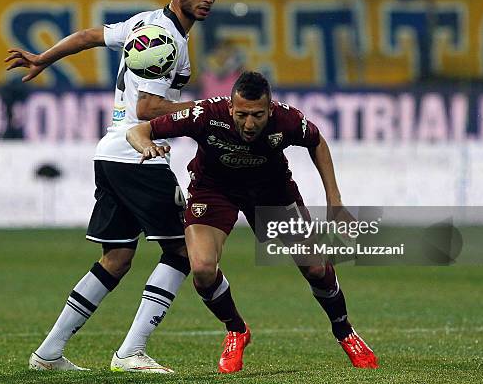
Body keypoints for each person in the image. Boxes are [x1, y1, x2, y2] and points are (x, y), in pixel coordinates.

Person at [4, 0, 223, 373]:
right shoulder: (166, 37)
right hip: (138, 155)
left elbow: (89, 35)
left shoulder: (145, 22)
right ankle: (131, 352)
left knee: (117, 258)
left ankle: (48, 353)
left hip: (112, 152)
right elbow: (148, 107)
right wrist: (213, 110)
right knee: (181, 250)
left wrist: (44, 59)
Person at [126, 71, 379, 373]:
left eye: (257, 115)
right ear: (230, 108)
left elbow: (317, 142)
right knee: (203, 270)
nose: (249, 124)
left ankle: (344, 331)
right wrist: (146, 146)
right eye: (242, 114)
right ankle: (236, 330)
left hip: (271, 193)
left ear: (270, 110)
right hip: (214, 192)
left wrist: (334, 201)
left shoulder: (287, 120)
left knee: (314, 266)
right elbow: (139, 130)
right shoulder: (203, 114)